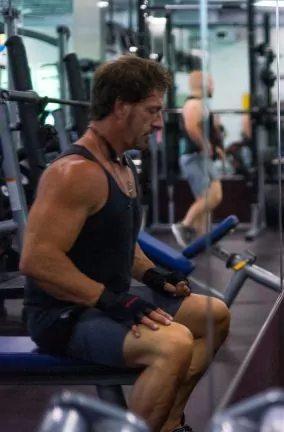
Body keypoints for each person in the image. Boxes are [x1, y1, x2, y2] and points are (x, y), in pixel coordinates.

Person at [21, 55, 232, 432]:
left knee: (214, 316)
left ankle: (167, 423)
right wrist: (113, 301)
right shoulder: (74, 174)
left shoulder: (121, 165)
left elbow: (124, 242)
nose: (157, 122)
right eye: (151, 111)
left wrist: (150, 276)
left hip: (106, 304)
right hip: (64, 317)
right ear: (121, 106)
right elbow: (37, 261)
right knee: (175, 344)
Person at [171, 70, 226, 247]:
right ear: (202, 85)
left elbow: (202, 130)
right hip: (194, 157)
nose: (213, 86)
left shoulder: (200, 104)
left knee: (204, 199)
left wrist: (214, 148)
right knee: (213, 195)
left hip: (199, 156)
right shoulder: (193, 104)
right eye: (210, 83)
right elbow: (192, 127)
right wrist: (205, 145)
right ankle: (184, 225)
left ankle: (203, 239)